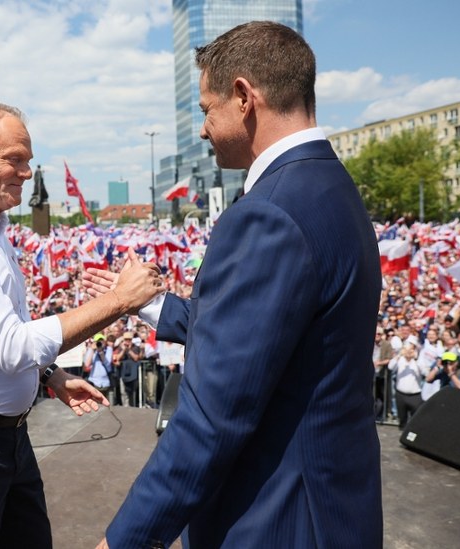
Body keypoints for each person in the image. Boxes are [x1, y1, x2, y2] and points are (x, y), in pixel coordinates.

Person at [88, 22, 383, 548]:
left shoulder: (268, 213)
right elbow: (272, 337)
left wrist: (125, 540)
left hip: (277, 518)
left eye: (207, 109)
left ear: (244, 97)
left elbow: (212, 416)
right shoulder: (329, 185)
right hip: (331, 504)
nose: (203, 130)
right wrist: (150, 303)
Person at [0, 102, 163, 549]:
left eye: (28, 161)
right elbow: (11, 345)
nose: (26, 172)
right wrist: (119, 300)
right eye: (14, 159)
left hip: (6, 435)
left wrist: (48, 374)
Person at [84, 333, 115, 405]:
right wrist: (92, 349)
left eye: (101, 340)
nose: (100, 342)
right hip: (94, 382)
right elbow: (87, 364)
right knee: (95, 405)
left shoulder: (108, 349)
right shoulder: (92, 350)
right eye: (98, 341)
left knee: (107, 404)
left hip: (105, 383)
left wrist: (101, 351)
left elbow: (107, 363)